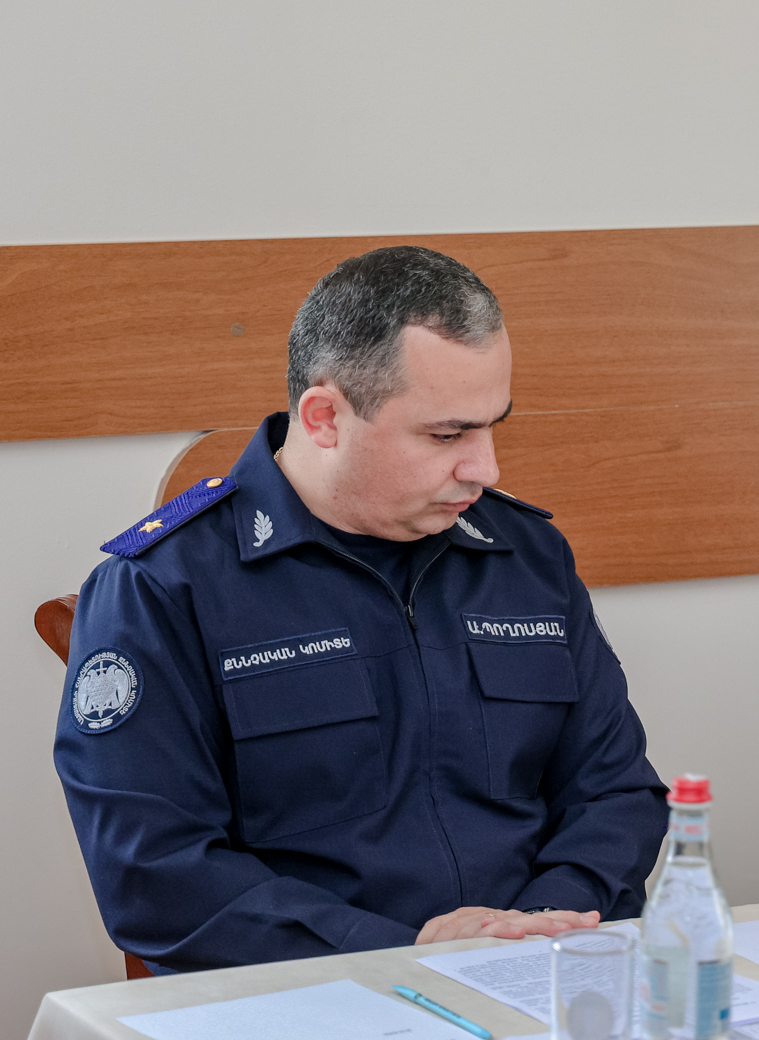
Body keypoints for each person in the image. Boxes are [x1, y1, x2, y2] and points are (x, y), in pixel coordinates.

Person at [54, 246, 667, 971]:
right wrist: (399, 956)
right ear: (324, 418)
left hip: (541, 971)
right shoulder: (164, 586)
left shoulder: (524, 555)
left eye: (492, 425)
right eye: (447, 435)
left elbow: (615, 791)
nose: (486, 468)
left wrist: (538, 923)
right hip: (306, 995)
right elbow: (153, 873)